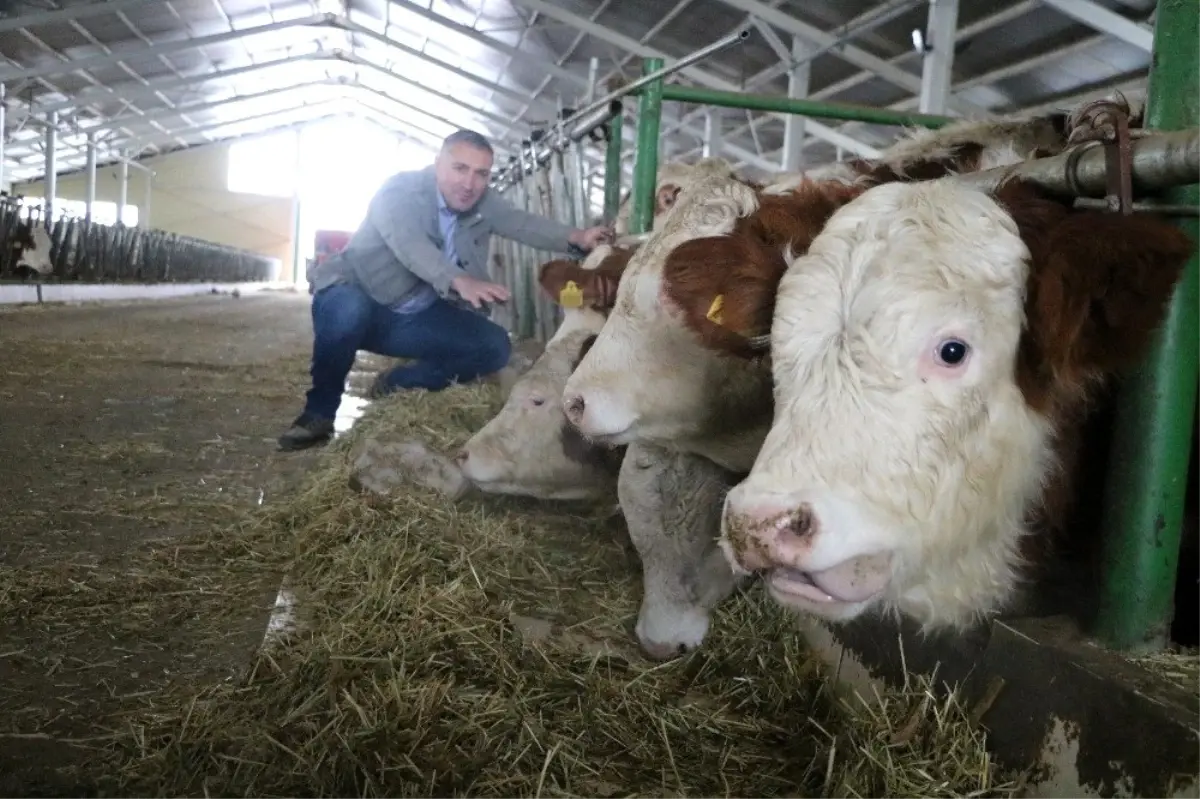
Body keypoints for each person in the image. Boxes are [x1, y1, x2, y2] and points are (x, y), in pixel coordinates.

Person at [277, 129, 613, 452]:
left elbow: (521, 223)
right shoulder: (399, 192)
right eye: (460, 168)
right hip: (358, 294)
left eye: (481, 174)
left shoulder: (483, 201)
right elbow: (409, 244)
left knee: (493, 346)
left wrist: (577, 237)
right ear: (438, 164)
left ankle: (397, 384)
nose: (469, 183)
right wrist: (458, 280)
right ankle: (319, 414)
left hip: (409, 319)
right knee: (347, 310)